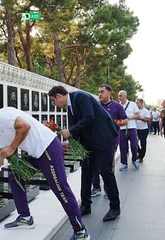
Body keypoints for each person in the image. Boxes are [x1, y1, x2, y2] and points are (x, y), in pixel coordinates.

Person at [0, 107, 90, 240]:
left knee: (61, 189)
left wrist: (12, 148)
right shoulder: (1, 133)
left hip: (48, 149)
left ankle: (80, 231)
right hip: (37, 154)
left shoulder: (2, 116)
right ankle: (25, 217)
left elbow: (25, 126)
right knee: (15, 178)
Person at [48, 85, 121, 222]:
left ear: (59, 96)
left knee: (106, 172)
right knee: (86, 171)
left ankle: (115, 207)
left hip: (104, 138)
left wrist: (70, 131)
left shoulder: (80, 97)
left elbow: (89, 118)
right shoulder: (70, 107)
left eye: (53, 100)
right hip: (89, 142)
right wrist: (70, 142)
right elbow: (79, 128)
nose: (54, 104)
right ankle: (86, 205)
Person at [91, 84, 127, 198]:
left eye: (102, 92)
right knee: (94, 165)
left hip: (111, 141)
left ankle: (108, 189)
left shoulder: (117, 107)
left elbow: (125, 121)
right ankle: (96, 187)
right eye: (99, 92)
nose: (100, 94)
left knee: (107, 166)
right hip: (96, 140)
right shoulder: (95, 105)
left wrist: (112, 123)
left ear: (109, 93)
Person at [118, 90, 140, 171]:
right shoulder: (117, 105)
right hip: (121, 129)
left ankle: (134, 160)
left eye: (121, 96)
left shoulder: (132, 104)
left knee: (134, 145)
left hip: (131, 128)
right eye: (118, 96)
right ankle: (124, 164)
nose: (119, 97)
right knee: (122, 147)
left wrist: (130, 118)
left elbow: (138, 115)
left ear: (125, 96)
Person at [135, 98, 151, 163]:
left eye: (137, 102)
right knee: (134, 142)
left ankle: (141, 157)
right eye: (136, 102)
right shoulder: (135, 110)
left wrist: (140, 118)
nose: (136, 104)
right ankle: (139, 153)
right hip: (136, 129)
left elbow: (148, 120)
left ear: (141, 103)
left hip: (143, 129)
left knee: (143, 143)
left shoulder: (145, 111)